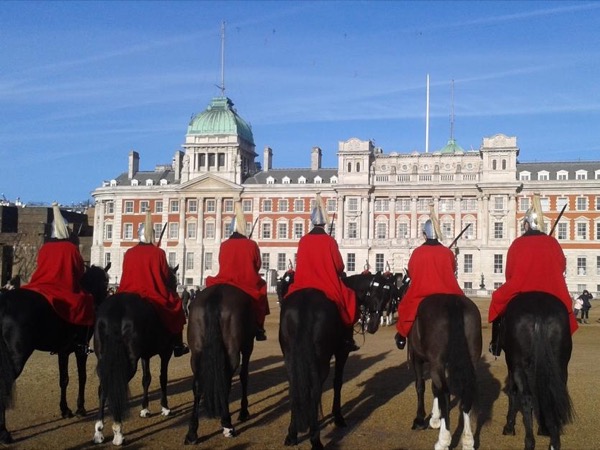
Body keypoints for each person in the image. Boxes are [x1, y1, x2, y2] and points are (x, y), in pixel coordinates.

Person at [488, 194, 578, 356]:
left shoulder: (517, 243)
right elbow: (561, 266)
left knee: (496, 299)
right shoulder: (552, 243)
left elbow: (509, 273)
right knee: (565, 309)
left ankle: (495, 345)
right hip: (551, 290)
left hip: (521, 288)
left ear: (527, 224)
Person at [285, 193, 359, 352]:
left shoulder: (303, 240)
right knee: (350, 299)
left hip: (302, 285)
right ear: (325, 223)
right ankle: (347, 338)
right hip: (327, 285)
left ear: (312, 221)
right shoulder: (330, 241)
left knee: (287, 301)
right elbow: (339, 266)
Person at [22, 203, 95, 355]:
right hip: (62, 287)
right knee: (86, 301)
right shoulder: (71, 249)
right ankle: (80, 342)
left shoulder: (45, 247)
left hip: (39, 285)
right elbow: (79, 271)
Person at [118, 211, 189, 357]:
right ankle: (177, 345)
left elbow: (126, 274)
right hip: (151, 292)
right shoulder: (159, 253)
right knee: (176, 307)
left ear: (139, 234)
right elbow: (164, 276)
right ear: (153, 235)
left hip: (128, 292)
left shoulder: (129, 252)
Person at [394, 210, 464, 350]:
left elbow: (412, 274)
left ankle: (402, 336)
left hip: (422, 293)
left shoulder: (417, 252)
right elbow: (453, 270)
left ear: (424, 234)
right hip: (448, 292)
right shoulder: (447, 252)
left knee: (404, 307)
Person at [205, 201, 269, 341]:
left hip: (224, 280)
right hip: (246, 282)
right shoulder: (251, 245)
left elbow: (222, 263)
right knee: (262, 290)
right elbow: (257, 265)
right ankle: (259, 327)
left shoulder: (224, 244)